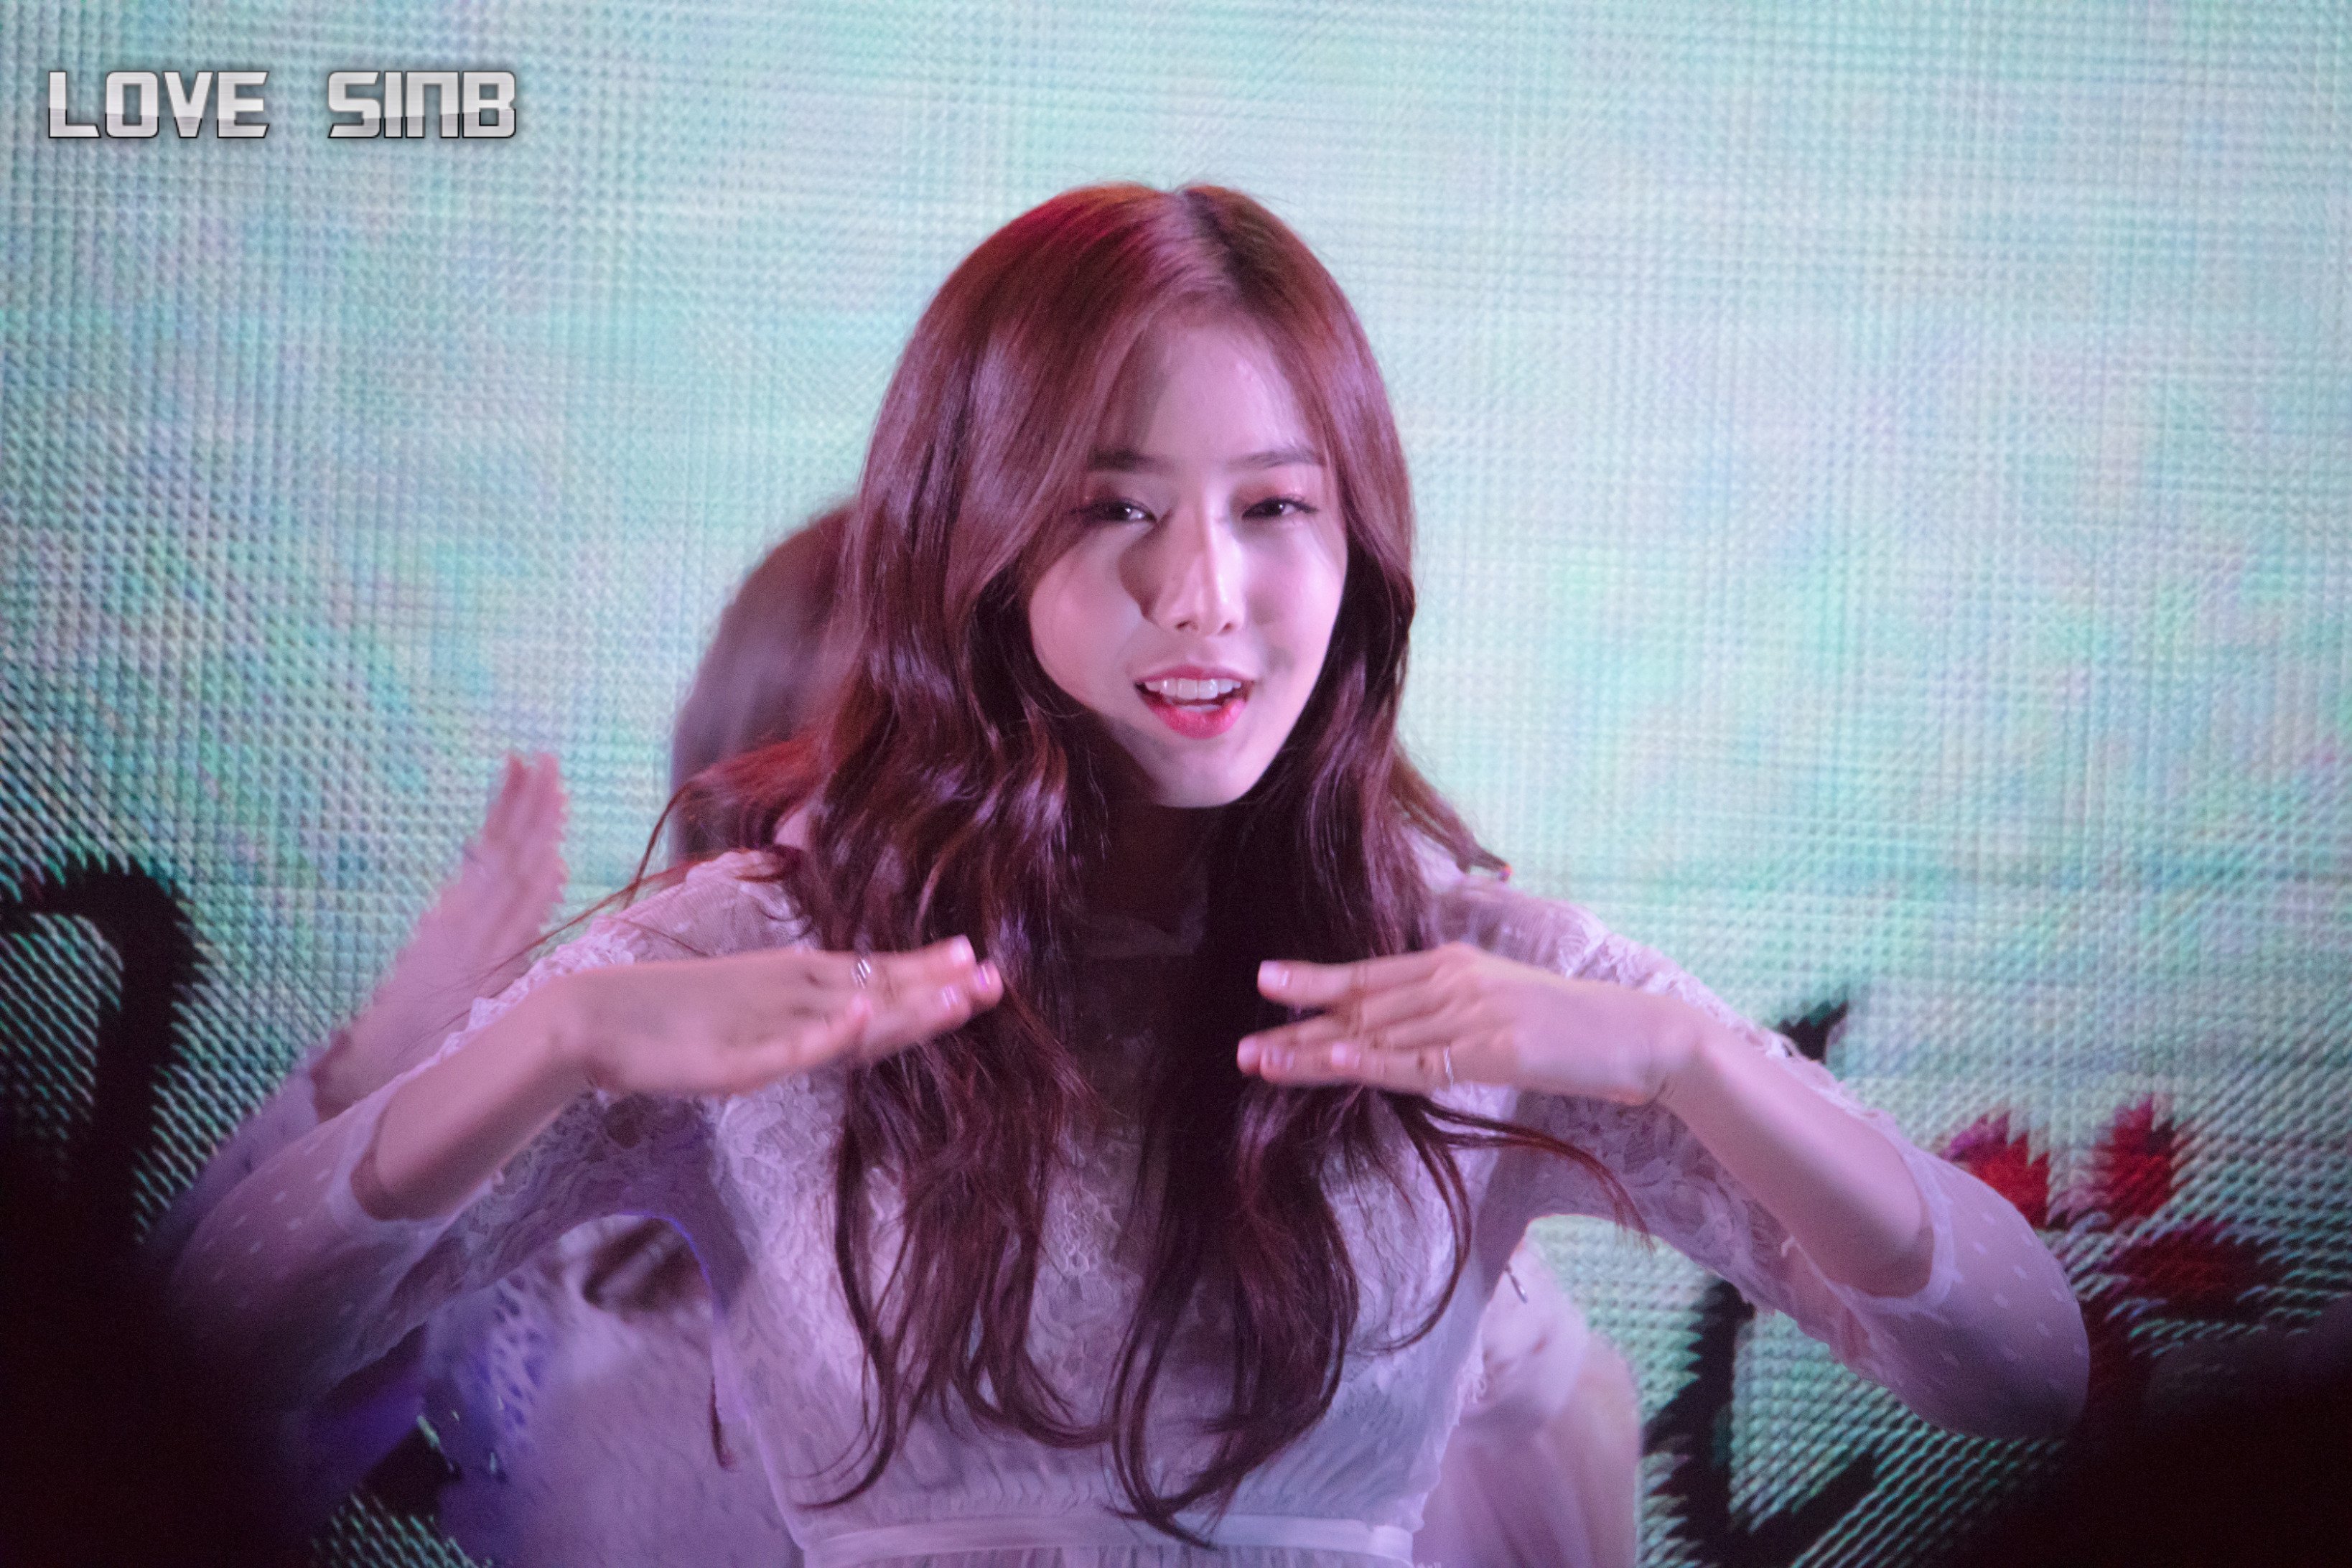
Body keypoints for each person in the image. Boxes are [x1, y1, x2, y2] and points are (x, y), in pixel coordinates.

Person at [170, 183, 2086, 1566]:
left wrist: (1681, 1060)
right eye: (1113, 509)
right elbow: (218, 1356)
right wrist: (557, 1037)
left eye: (1275, 509)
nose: (1203, 595)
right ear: (973, 542)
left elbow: (2021, 1370)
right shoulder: (758, 951)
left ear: (1362, 552)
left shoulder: (1477, 973)